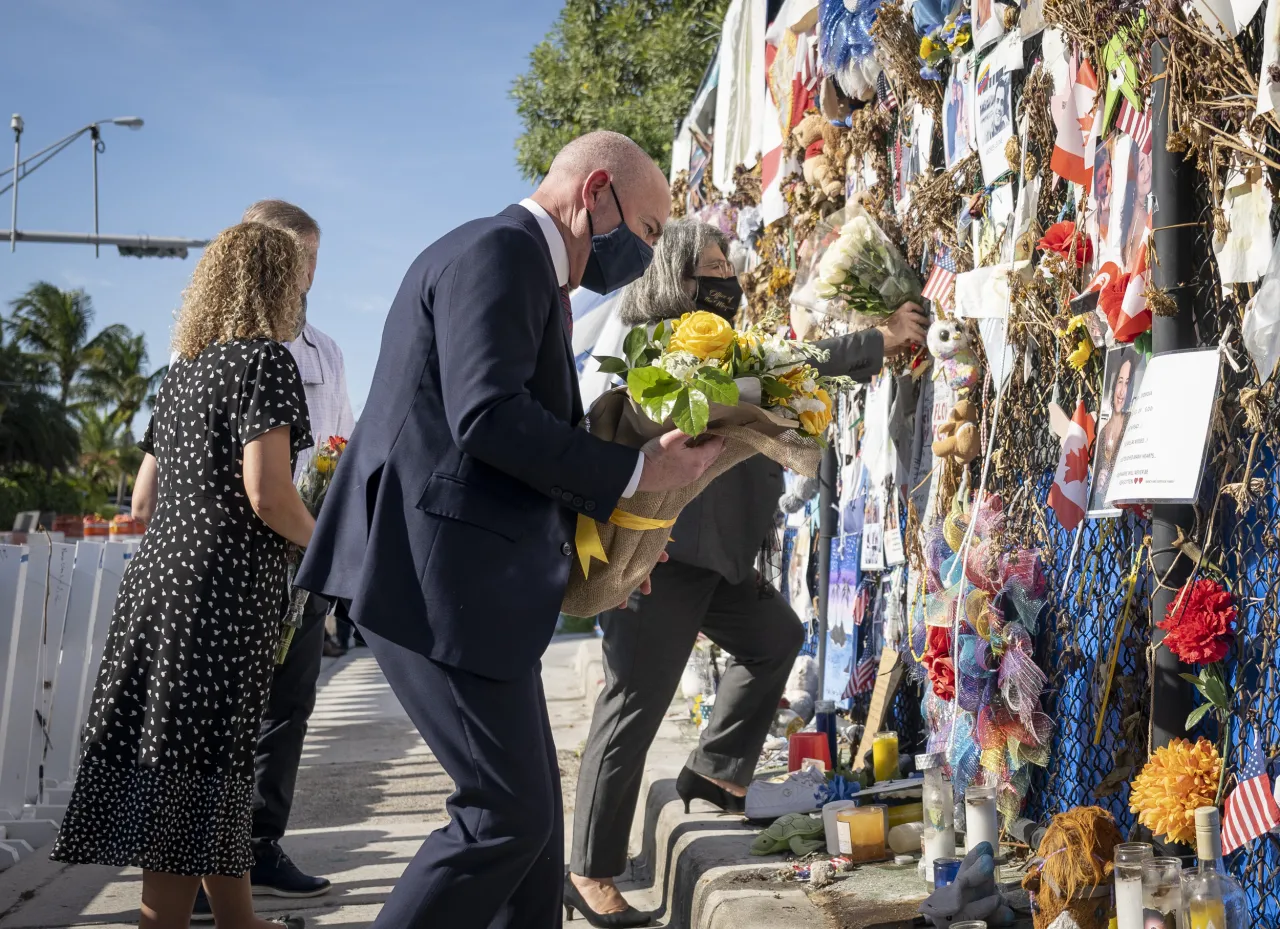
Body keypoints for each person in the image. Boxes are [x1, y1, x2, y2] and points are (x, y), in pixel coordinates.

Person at [293, 131, 725, 929]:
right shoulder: (500, 252)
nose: (652, 251)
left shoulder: (513, 261)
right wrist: (637, 473)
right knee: (503, 816)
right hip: (435, 582)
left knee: (532, 827)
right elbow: (487, 416)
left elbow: (500, 446)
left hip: (469, 581)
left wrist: (619, 541)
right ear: (597, 192)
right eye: (652, 229)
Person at [567, 218, 928, 925]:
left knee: (775, 638)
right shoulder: (665, 353)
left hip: (715, 559)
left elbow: (778, 365)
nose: (727, 280)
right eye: (711, 269)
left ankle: (714, 768)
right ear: (676, 278)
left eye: (728, 268)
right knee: (632, 707)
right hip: (661, 560)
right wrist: (873, 340)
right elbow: (781, 366)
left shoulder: (721, 348)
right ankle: (590, 869)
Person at [50, 222, 315, 929]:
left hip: (161, 583)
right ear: (275, 285)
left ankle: (239, 919)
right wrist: (328, 546)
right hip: (221, 594)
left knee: (201, 759)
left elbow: (142, 499)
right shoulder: (266, 361)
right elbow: (268, 492)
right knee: (191, 769)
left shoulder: (185, 371)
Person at [184, 200, 353, 922]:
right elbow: (260, 486)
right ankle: (212, 878)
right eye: (293, 257)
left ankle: (257, 850)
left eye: (313, 258)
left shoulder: (323, 352)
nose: (304, 272)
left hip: (267, 553)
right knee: (219, 729)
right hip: (252, 555)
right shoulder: (244, 358)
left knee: (286, 707)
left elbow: (339, 449)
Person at [1092, 352, 1136, 505]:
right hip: (1107, 506)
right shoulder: (1103, 433)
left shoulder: (1133, 423)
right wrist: (1099, 483)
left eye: (1127, 384)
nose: (1122, 391)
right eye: (1120, 381)